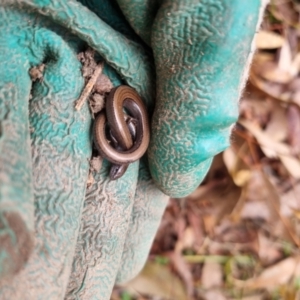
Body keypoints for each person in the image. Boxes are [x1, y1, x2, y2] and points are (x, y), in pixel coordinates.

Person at [0, 0, 267, 299]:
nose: (114, 168)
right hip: (121, 103)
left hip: (124, 105)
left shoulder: (126, 138)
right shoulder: (122, 136)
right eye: (115, 166)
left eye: (116, 166)